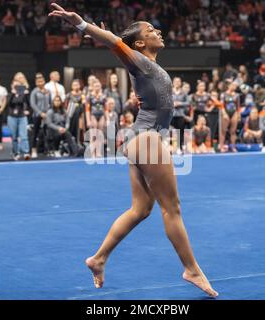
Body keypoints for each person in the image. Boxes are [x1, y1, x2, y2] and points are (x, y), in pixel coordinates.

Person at [49, 3, 217, 297]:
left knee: (141, 209)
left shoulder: (146, 63)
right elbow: (115, 42)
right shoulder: (140, 60)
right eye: (151, 30)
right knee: (172, 208)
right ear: (140, 43)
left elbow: (116, 42)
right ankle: (191, 269)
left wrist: (104, 34)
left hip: (140, 139)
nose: (158, 31)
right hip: (147, 138)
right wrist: (82, 25)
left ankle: (98, 259)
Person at [7, 79, 31, 160]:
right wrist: (13, 94)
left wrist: (26, 95)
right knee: (14, 136)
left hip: (22, 116)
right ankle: (16, 152)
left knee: (23, 135)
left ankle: (26, 152)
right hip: (12, 117)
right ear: (12, 86)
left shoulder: (23, 95)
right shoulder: (10, 94)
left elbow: (28, 103)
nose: (17, 87)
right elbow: (9, 104)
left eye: (18, 86)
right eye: (15, 85)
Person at [30, 73, 52, 158]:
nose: (40, 83)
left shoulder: (48, 91)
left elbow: (50, 103)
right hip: (37, 115)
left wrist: (47, 113)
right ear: (36, 83)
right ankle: (33, 150)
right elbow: (33, 104)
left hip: (46, 115)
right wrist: (40, 113)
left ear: (44, 82)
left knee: (47, 133)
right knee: (35, 133)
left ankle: (47, 150)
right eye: (38, 82)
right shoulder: (34, 91)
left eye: (42, 81)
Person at [86, 80, 106, 158]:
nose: (97, 87)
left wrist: (107, 119)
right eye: (96, 86)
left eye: (98, 86)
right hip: (93, 115)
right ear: (93, 87)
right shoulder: (89, 96)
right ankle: (92, 152)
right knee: (93, 134)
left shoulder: (103, 96)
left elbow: (106, 108)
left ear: (100, 87)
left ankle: (98, 152)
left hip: (101, 115)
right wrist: (88, 120)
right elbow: (87, 109)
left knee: (100, 134)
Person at [219, 82, 240, 153]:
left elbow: (238, 106)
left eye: (235, 86)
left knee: (233, 131)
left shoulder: (237, 95)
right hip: (225, 112)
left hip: (234, 113)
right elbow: (221, 105)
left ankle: (233, 147)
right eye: (232, 85)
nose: (234, 87)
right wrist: (224, 113)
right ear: (228, 86)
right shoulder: (223, 94)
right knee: (223, 131)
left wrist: (237, 114)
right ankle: (221, 146)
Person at [171, 77, 190, 154]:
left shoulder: (184, 93)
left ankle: (179, 147)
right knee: (171, 131)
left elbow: (188, 103)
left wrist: (180, 103)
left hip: (180, 115)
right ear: (173, 82)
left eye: (179, 81)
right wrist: (172, 104)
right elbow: (165, 101)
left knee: (180, 132)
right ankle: (170, 147)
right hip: (171, 115)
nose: (177, 83)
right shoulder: (169, 92)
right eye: (175, 81)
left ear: (181, 83)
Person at [64, 79, 86, 143]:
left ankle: (79, 142)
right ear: (71, 86)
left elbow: (84, 105)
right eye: (74, 85)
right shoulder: (68, 95)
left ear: (79, 85)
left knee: (80, 128)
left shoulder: (82, 95)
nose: (76, 86)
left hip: (80, 115)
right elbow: (65, 106)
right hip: (70, 115)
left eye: (77, 84)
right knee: (70, 128)